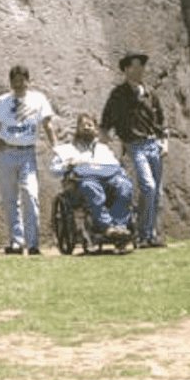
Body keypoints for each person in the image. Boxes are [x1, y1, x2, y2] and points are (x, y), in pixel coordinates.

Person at [0, 65, 57, 255]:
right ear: (10, 82)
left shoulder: (38, 99)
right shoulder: (2, 101)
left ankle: (33, 243)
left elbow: (47, 123)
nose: (18, 83)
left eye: (22, 79)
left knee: (31, 195)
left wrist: (55, 145)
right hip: (6, 152)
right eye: (15, 79)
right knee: (10, 199)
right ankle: (16, 242)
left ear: (27, 80)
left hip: (27, 153)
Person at [100, 51, 167, 249]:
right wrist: (101, 152)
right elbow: (105, 124)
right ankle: (142, 233)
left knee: (156, 192)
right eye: (134, 67)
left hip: (153, 144)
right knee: (148, 186)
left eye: (141, 67)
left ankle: (151, 235)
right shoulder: (118, 94)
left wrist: (165, 142)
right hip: (133, 145)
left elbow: (161, 123)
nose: (139, 71)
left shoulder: (150, 93)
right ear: (126, 69)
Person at [50, 113, 133, 241]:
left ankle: (120, 226)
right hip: (80, 186)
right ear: (77, 129)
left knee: (125, 185)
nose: (87, 128)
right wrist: (67, 164)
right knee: (91, 187)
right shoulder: (67, 149)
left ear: (96, 129)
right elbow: (54, 170)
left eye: (90, 125)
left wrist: (122, 174)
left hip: (107, 182)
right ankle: (106, 227)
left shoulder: (104, 149)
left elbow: (116, 167)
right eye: (83, 125)